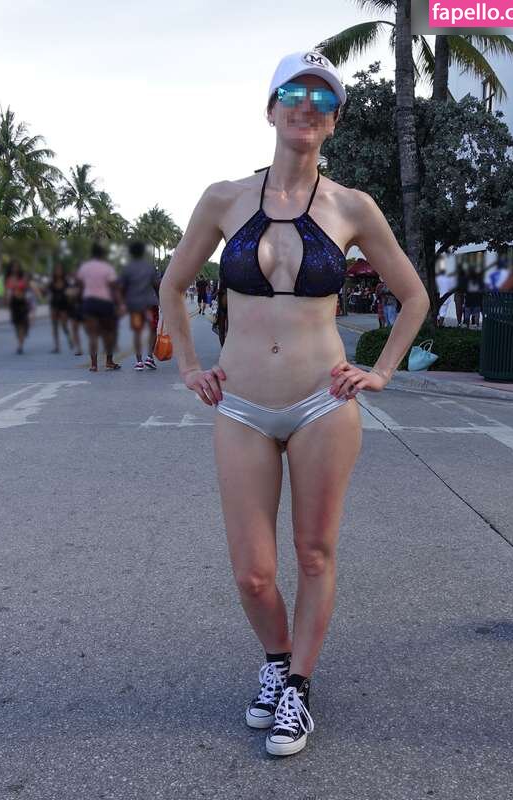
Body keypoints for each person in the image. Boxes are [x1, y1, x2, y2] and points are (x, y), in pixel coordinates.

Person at [158, 47, 429, 757]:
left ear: (333, 121)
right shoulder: (223, 199)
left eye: (323, 98)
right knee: (252, 572)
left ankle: (298, 688)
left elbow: (414, 297)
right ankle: (276, 662)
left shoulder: (352, 207)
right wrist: (189, 366)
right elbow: (172, 285)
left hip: (322, 404)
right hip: (241, 405)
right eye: (295, 93)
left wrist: (381, 371)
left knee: (313, 553)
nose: (308, 106)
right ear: (271, 109)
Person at [76, 242, 126, 371]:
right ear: (102, 255)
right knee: (109, 333)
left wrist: (80, 300)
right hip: (105, 303)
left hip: (89, 302)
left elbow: (80, 285)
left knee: (92, 335)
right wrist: (120, 303)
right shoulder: (107, 268)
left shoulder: (84, 267)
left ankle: (94, 365)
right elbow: (114, 287)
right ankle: (109, 361)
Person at [120, 240, 160, 370]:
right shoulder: (150, 267)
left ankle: (139, 362)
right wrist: (160, 300)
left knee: (137, 331)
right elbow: (156, 285)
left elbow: (122, 287)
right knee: (152, 330)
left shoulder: (127, 268)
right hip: (150, 304)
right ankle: (149, 357)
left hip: (135, 305)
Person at [5, 261, 32, 355]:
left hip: (23, 302)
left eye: (16, 267)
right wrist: (7, 301)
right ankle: (21, 338)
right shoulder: (8, 278)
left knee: (22, 323)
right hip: (14, 303)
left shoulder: (23, 277)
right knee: (16, 324)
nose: (15, 269)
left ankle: (20, 346)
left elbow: (28, 288)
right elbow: (7, 291)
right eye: (13, 267)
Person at [47, 263, 73, 354]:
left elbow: (70, 293)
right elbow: (47, 292)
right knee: (54, 326)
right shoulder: (52, 282)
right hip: (54, 305)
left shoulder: (66, 282)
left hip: (63, 305)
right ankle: (57, 346)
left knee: (64, 325)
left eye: (60, 270)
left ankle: (69, 338)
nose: (58, 271)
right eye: (56, 270)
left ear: (62, 271)